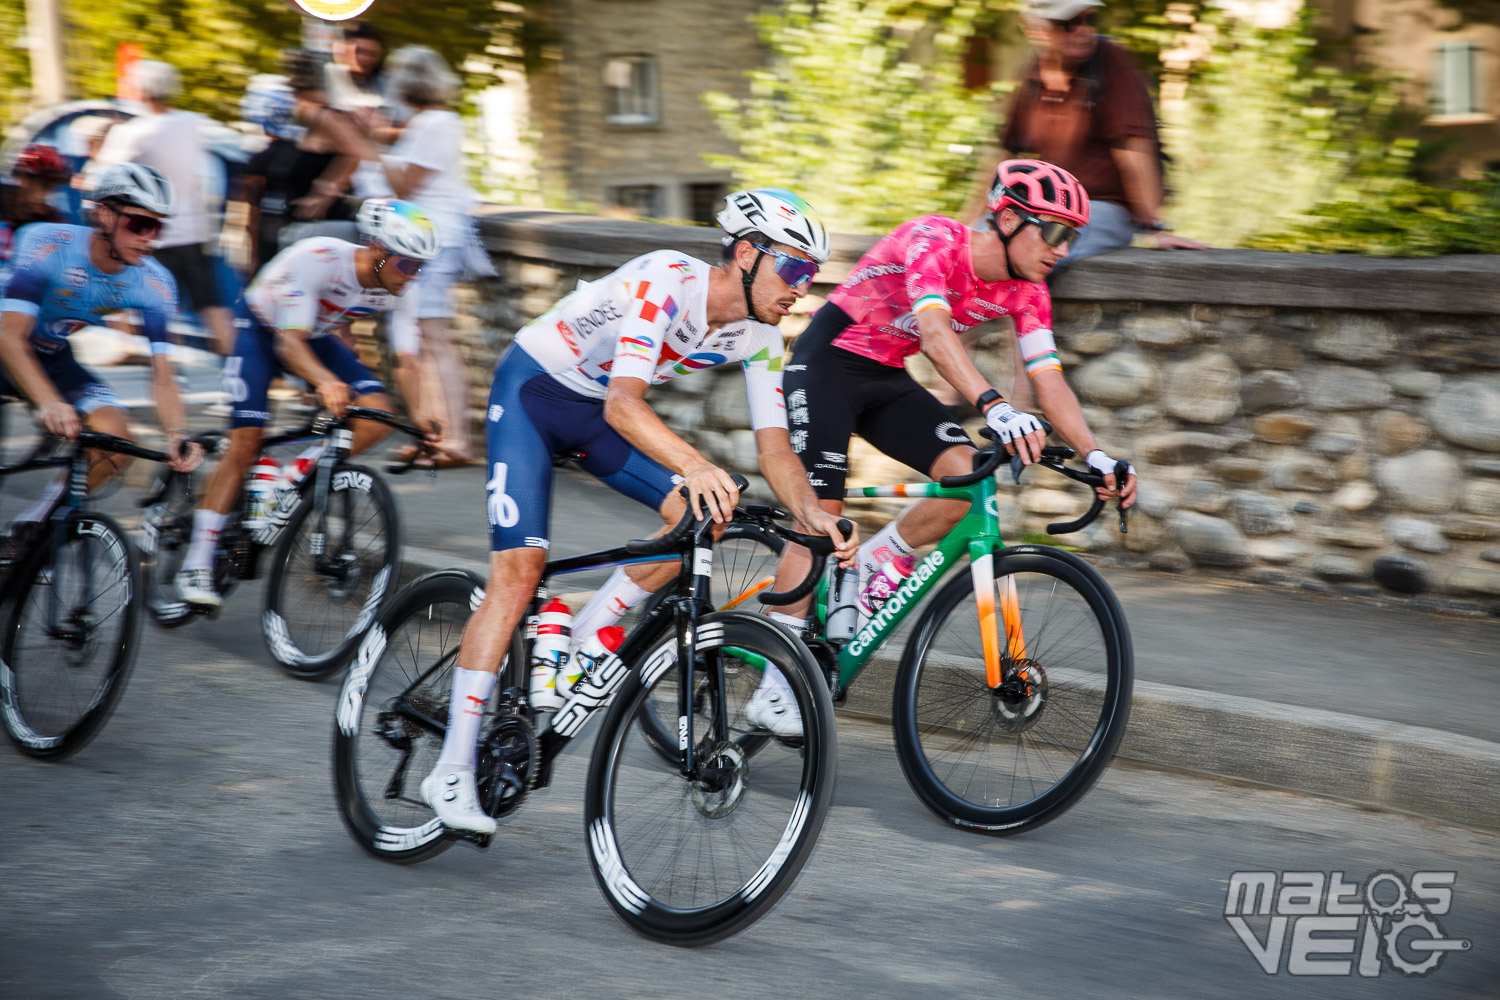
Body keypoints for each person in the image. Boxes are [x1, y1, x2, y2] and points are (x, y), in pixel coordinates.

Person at [419, 188, 858, 835]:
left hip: (594, 417)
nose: (802, 287)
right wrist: (697, 464)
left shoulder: (760, 335)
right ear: (745, 253)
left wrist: (813, 514)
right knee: (519, 570)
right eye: (793, 267)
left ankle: (580, 636)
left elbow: (774, 449)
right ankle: (451, 767)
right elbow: (626, 404)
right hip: (535, 393)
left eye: (811, 275)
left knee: (700, 515)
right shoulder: (666, 279)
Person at [767, 160, 1139, 732]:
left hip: (887, 376)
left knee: (966, 482)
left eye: (1075, 236)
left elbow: (1048, 377)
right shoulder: (935, 239)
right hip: (828, 367)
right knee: (820, 517)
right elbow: (937, 336)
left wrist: (1094, 453)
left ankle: (865, 571)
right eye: (1056, 231)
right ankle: (778, 677)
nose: (1064, 249)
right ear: (1010, 219)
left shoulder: (1028, 290)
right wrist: (996, 406)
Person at [173, 199, 440, 608]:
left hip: (315, 333)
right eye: (407, 264)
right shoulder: (319, 260)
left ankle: (291, 476)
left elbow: (408, 360)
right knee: (245, 445)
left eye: (421, 266)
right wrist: (325, 382)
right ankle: (197, 563)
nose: (413, 276)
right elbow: (288, 343)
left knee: (380, 416)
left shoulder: (401, 287)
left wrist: (422, 416)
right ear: (377, 250)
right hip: (264, 331)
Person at [0, 162, 203, 519]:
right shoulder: (48, 244)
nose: (150, 238)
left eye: (158, 227)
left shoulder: (155, 283)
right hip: (7, 344)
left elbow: (163, 375)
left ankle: (33, 525)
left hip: (53, 355)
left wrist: (177, 434)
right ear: (105, 216)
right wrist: (49, 403)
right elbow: (9, 336)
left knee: (116, 442)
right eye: (141, 224)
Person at [994, 0, 1207, 269]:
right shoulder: (1034, 70)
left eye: (1088, 20)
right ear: (1037, 28)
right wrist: (966, 227)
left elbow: (1134, 149)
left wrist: (1156, 228)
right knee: (976, 247)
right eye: (1068, 24)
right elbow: (1003, 156)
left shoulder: (1111, 61)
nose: (1083, 31)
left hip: (1100, 208)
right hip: (1044, 204)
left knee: (1034, 251)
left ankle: (1020, 310)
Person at [372, 45, 487, 466]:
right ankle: (436, 437)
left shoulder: (437, 123)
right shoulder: (431, 123)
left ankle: (456, 441)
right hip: (425, 240)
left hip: (434, 242)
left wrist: (368, 145)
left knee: (436, 341)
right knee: (422, 342)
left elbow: (405, 184)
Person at [94, 61, 237, 353]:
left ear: (142, 90)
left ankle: (131, 350)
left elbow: (104, 175)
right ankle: (238, 359)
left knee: (141, 295)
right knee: (209, 302)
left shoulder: (134, 132)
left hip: (151, 232)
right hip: (194, 231)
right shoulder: (193, 123)